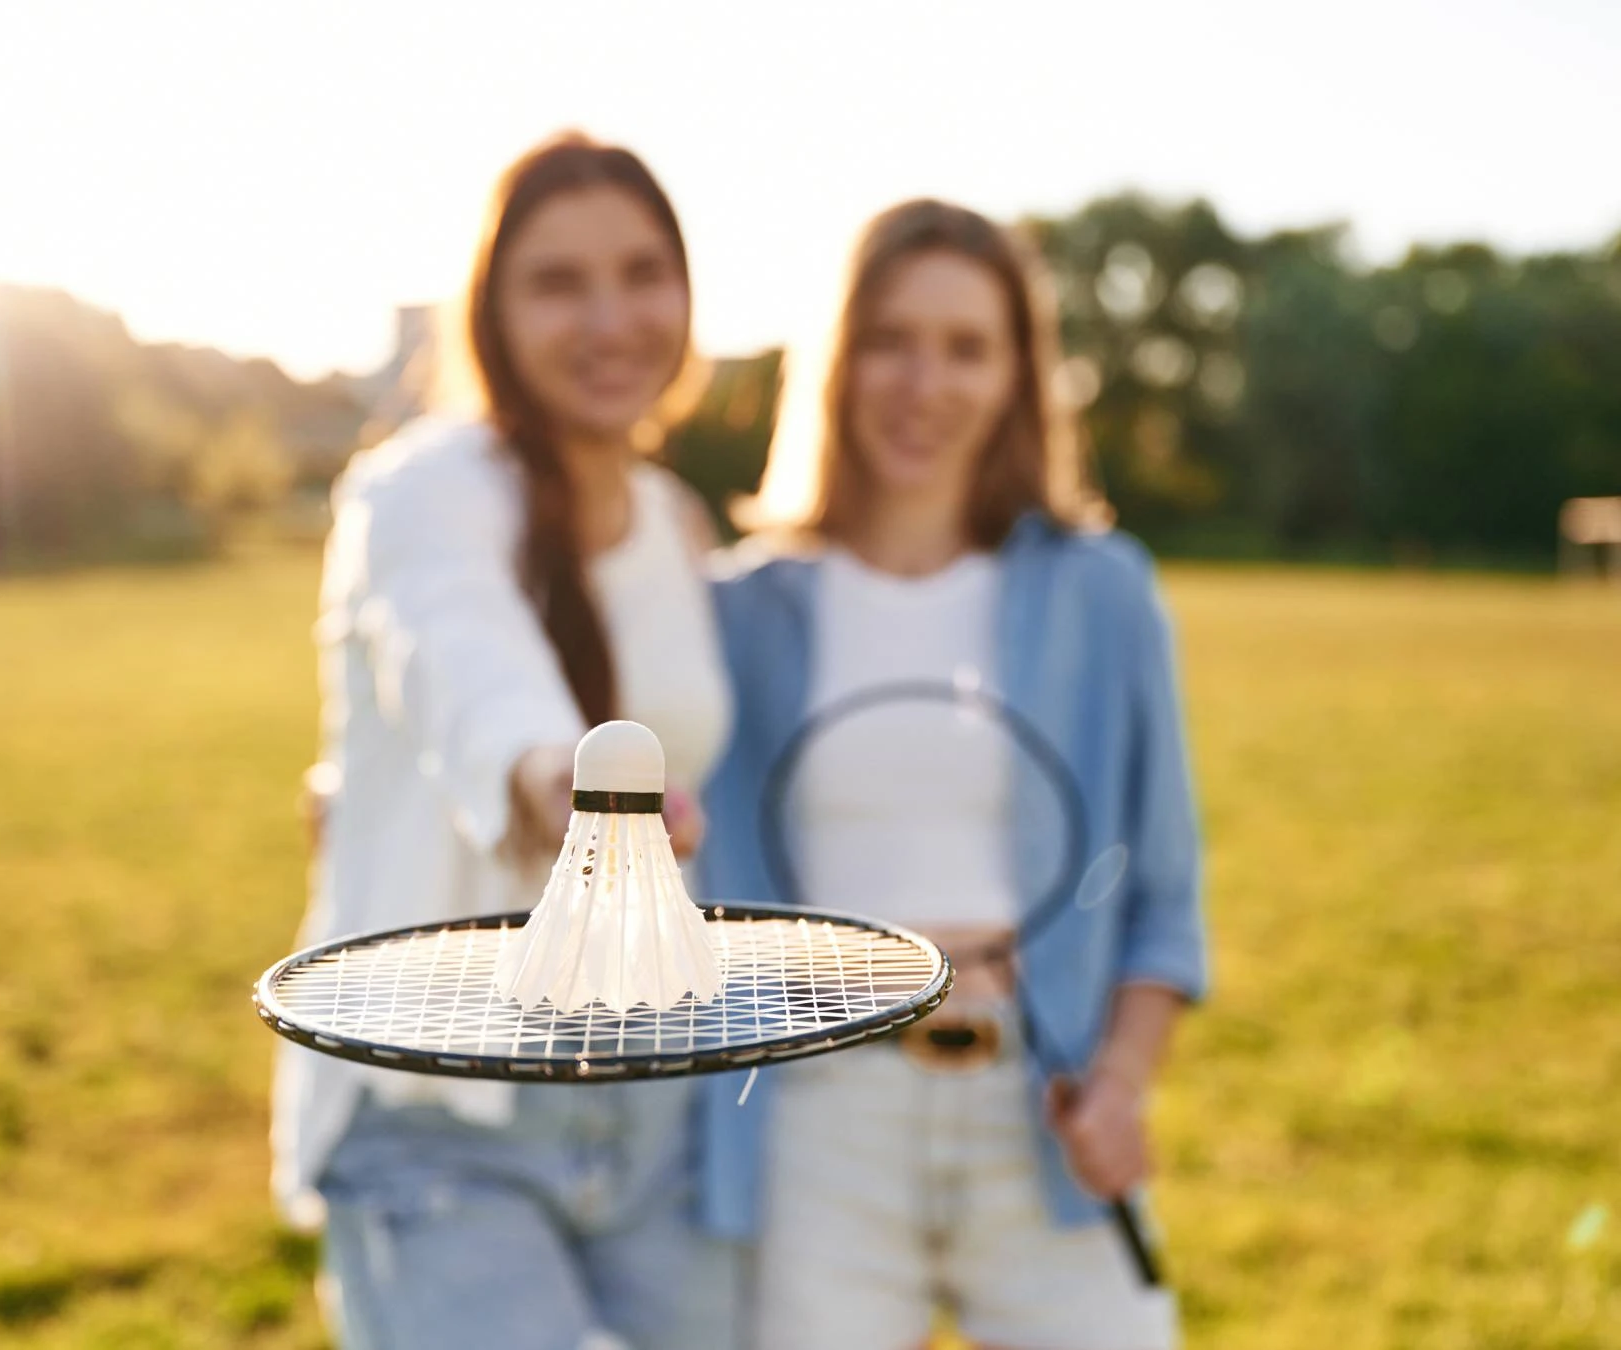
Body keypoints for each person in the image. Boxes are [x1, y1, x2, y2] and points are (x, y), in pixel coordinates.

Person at [697, 199, 1208, 1350]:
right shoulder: (740, 609)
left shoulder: (1102, 591)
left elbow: (1165, 899)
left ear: (1020, 376)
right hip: (821, 1119)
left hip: (1040, 1104)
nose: (925, 383)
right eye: (891, 340)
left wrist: (1120, 1084)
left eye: (967, 347)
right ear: (837, 361)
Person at [272, 132, 739, 1350]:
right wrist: (575, 794)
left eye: (642, 273)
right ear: (491, 310)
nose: (609, 317)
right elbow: (479, 679)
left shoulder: (682, 528)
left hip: (654, 1112)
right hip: (441, 1120)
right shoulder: (422, 490)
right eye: (557, 282)